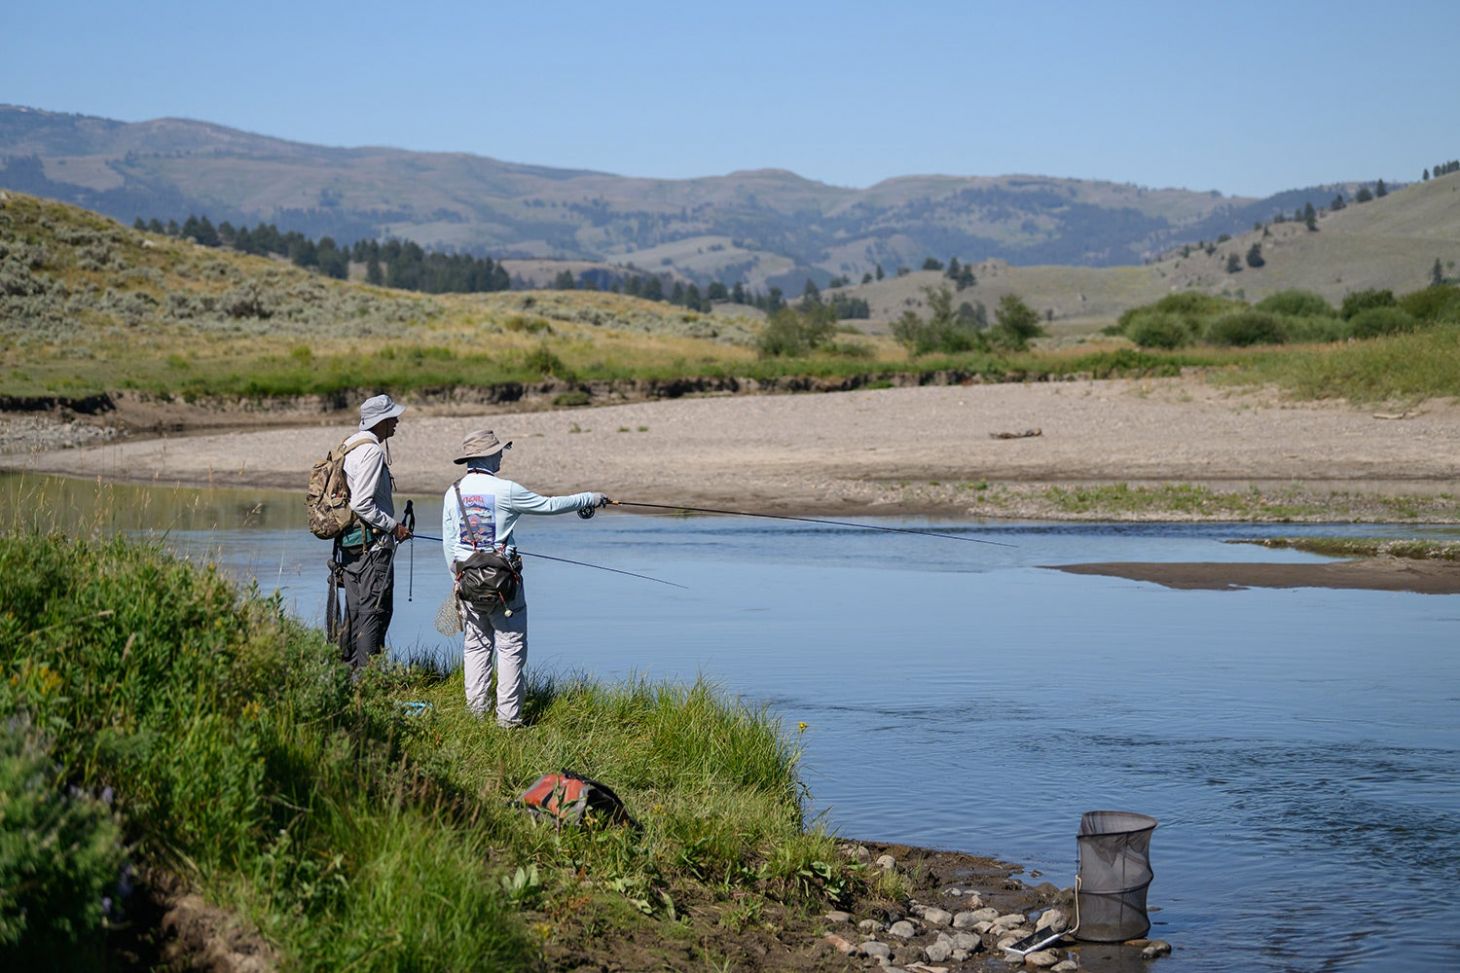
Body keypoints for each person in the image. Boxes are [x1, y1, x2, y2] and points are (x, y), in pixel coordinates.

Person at [442, 429, 605, 727]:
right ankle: (508, 721)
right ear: (486, 455)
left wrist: (459, 581)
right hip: (505, 585)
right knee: (510, 646)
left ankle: (476, 719)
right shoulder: (505, 490)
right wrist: (589, 498)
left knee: (476, 647)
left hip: (466, 582)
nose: (502, 454)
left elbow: (449, 545)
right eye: (498, 450)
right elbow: (549, 506)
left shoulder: (453, 492)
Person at [337, 393, 412, 671]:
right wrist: (396, 527)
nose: (396, 422)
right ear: (380, 421)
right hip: (373, 550)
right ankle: (367, 682)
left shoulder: (349, 445)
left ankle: (347, 677)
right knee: (374, 613)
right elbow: (362, 504)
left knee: (355, 614)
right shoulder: (370, 451)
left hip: (349, 547)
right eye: (392, 418)